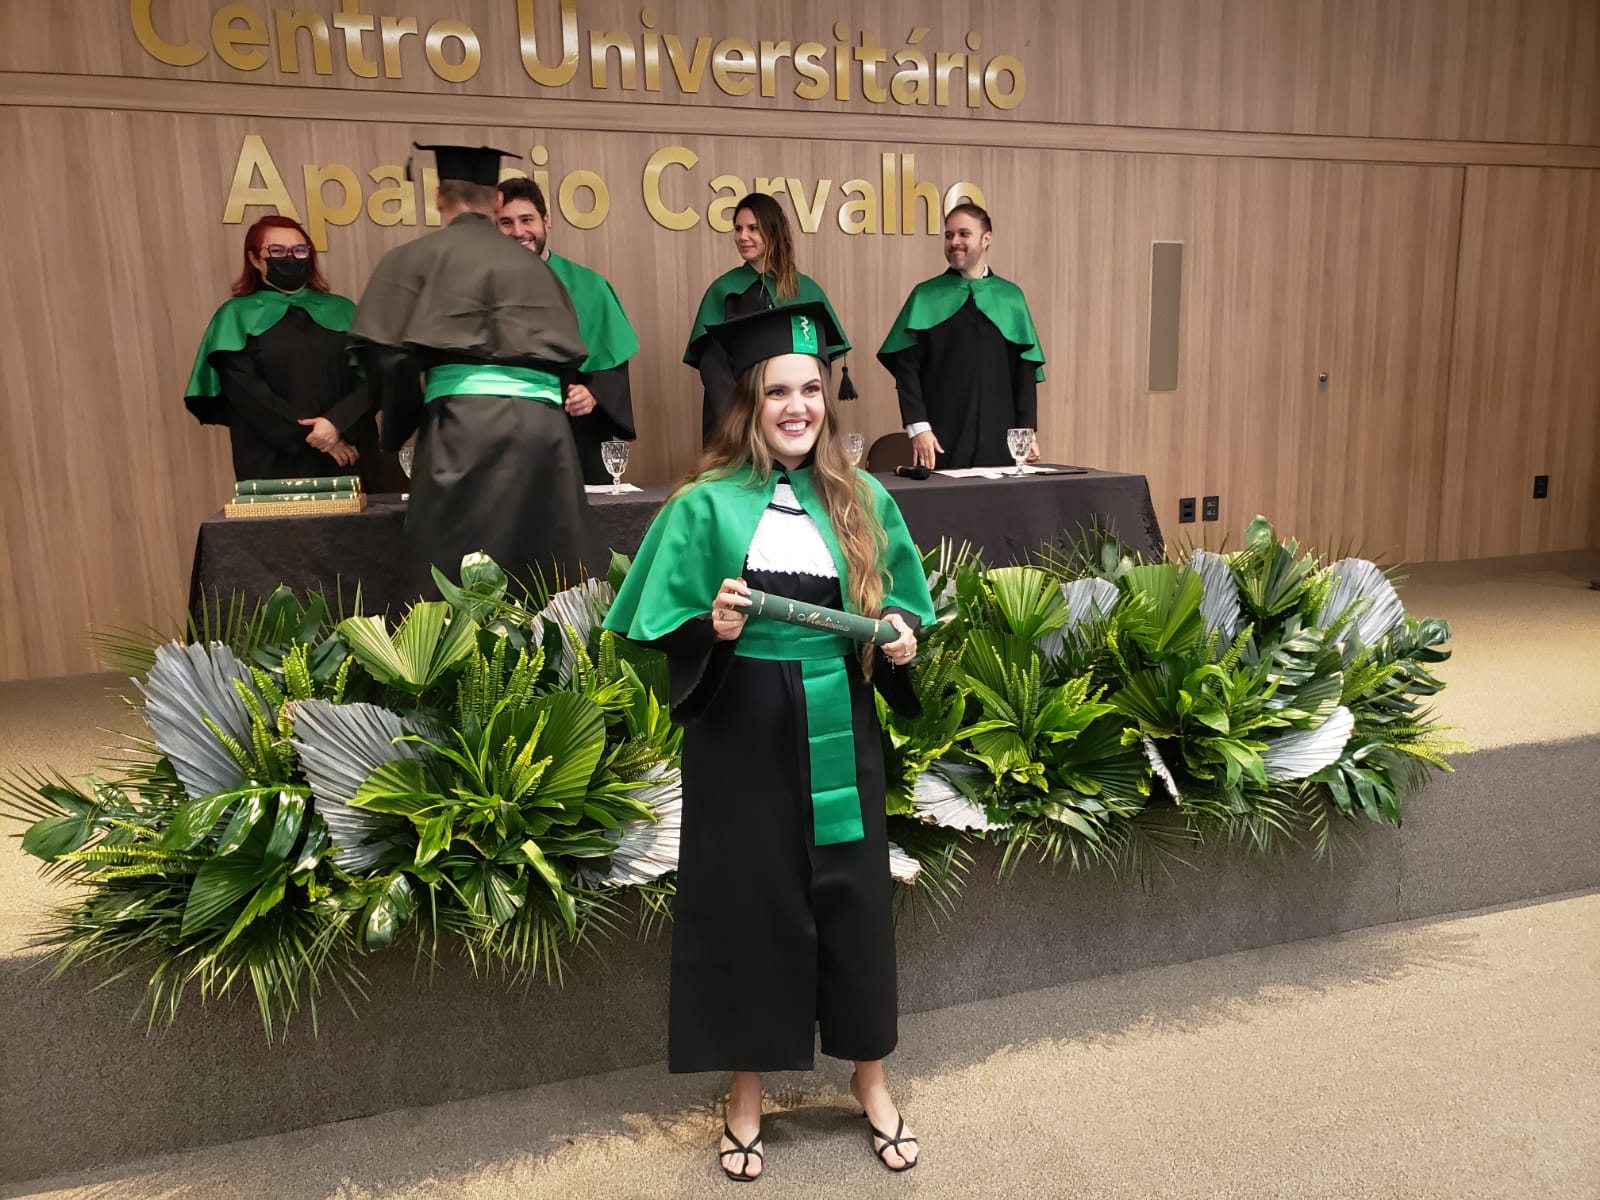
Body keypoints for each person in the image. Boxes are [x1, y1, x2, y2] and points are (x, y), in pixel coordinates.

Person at [604, 302, 933, 1180]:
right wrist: (709, 628)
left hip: (840, 719)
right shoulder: (703, 504)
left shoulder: (862, 498)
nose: (798, 407)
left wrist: (899, 638)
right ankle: (745, 1093)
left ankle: (870, 1079)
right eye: (778, 391)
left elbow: (904, 608)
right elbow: (653, 627)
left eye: (811, 390)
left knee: (852, 898)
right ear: (748, 403)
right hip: (741, 727)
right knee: (749, 902)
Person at [349, 144, 592, 596]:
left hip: (462, 428)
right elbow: (566, 358)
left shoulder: (412, 258)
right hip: (545, 434)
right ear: (497, 201)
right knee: (544, 559)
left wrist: (400, 427)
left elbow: (390, 357)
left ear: (439, 197)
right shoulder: (538, 269)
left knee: (457, 563)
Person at [185, 215, 377, 485]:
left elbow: (373, 378)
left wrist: (336, 423)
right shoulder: (236, 316)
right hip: (274, 460)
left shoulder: (343, 310)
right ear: (254, 259)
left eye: (299, 250)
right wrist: (318, 438)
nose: (290, 258)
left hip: (349, 451)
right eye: (277, 250)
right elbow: (246, 393)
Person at [878, 203, 1046, 470]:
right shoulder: (926, 296)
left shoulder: (1011, 297)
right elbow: (906, 369)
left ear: (986, 238)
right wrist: (918, 428)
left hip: (1000, 441)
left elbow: (1024, 372)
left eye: (963, 234)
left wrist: (1027, 432)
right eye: (949, 235)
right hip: (940, 440)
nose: (954, 241)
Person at [496, 177, 639, 486]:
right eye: (506, 222)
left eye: (527, 220)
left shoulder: (588, 286)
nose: (518, 231)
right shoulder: (484, 290)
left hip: (575, 432)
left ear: (546, 220)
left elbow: (612, 361)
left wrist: (594, 393)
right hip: (505, 435)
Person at [684, 192, 850, 445]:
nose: (742, 236)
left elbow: (820, 366)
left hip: (794, 423)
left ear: (774, 231)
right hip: (738, 427)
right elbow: (714, 370)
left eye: (753, 228)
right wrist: (740, 422)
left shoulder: (806, 292)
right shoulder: (725, 292)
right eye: (738, 228)